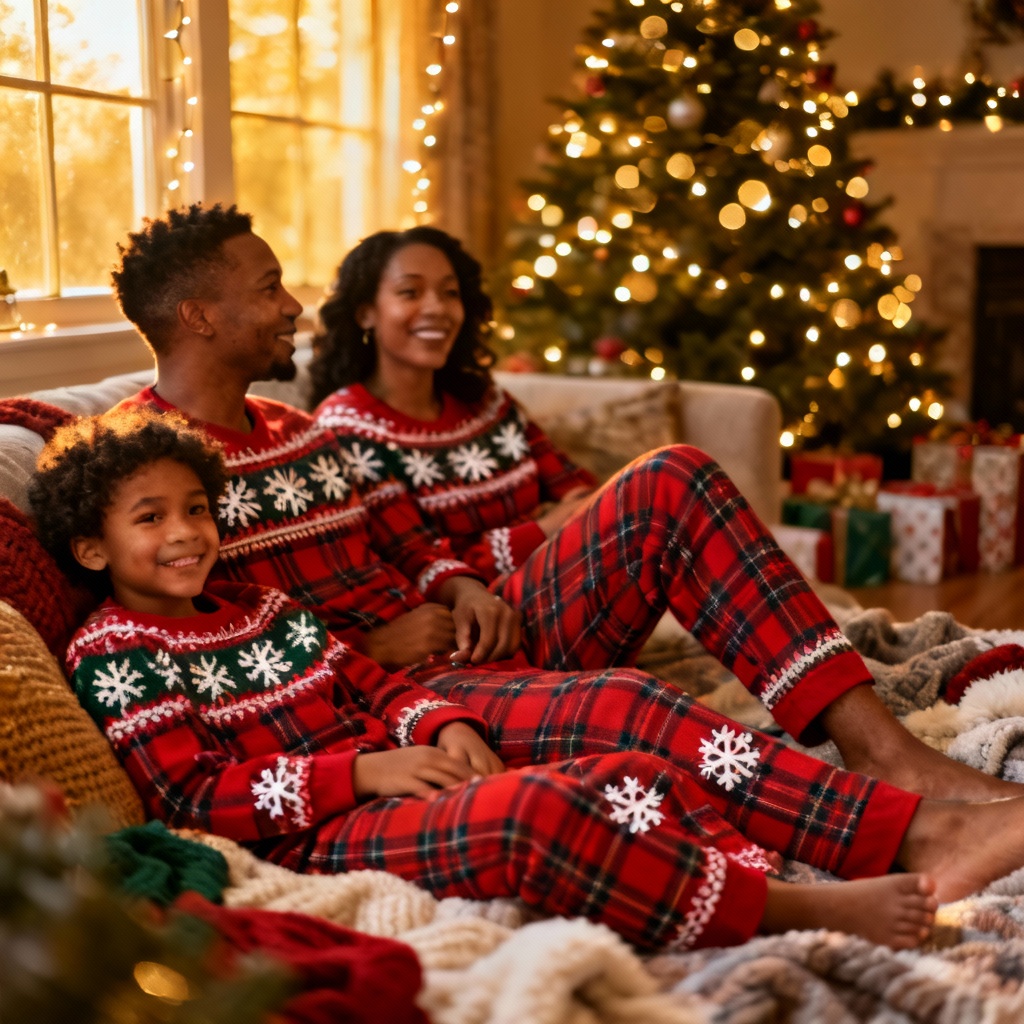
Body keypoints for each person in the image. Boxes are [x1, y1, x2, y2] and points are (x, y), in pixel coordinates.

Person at [29, 404, 1024, 954]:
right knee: (538, 811)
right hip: (324, 826)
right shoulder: (116, 651)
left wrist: (440, 721)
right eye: (152, 519)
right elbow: (189, 794)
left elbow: (369, 680)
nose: (186, 532)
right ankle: (800, 908)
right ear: (90, 546)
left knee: (633, 760)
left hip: (420, 742)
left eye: (196, 510)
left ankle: (825, 843)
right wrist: (363, 773)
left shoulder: (265, 602)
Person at [107, 203, 1013, 805]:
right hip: (400, 700)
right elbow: (209, 641)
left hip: (479, 635)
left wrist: (461, 587)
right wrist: (368, 652)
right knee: (633, 701)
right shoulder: (153, 468)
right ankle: (880, 819)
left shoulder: (302, 430)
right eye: (268, 289)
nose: (292, 306)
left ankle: (885, 751)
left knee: (674, 475)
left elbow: (410, 542)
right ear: (199, 317)